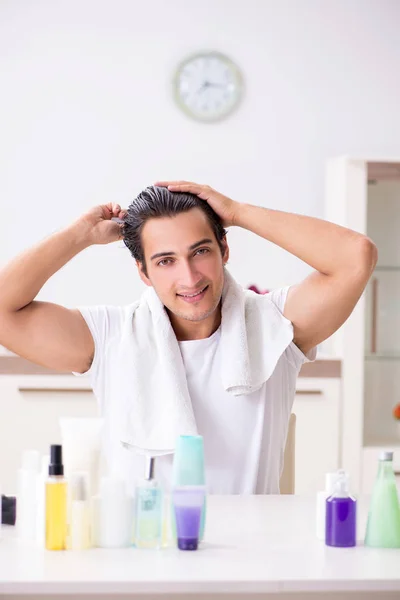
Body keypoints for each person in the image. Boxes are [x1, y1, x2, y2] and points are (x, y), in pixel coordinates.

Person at [0, 182, 377, 494]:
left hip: (251, 557)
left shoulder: (275, 325)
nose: (190, 277)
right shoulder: (110, 337)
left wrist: (237, 212)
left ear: (224, 249)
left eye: (200, 252)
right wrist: (78, 235)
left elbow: (356, 256)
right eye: (165, 261)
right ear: (143, 273)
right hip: (143, 552)